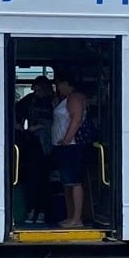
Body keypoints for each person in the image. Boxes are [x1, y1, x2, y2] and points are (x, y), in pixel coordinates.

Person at [50, 70, 90, 228]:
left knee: (74, 182)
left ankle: (76, 218)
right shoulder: (66, 99)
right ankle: (71, 215)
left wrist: (66, 139)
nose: (58, 87)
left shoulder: (73, 97)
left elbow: (76, 118)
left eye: (59, 83)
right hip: (66, 146)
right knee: (68, 182)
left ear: (67, 83)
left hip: (71, 146)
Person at [14, 76, 54, 224]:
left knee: (43, 181)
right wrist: (19, 126)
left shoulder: (53, 101)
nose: (36, 92)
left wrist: (39, 126)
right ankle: (33, 210)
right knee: (33, 180)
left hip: (48, 144)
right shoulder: (30, 100)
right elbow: (16, 112)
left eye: (38, 89)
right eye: (34, 89)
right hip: (33, 143)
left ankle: (42, 211)